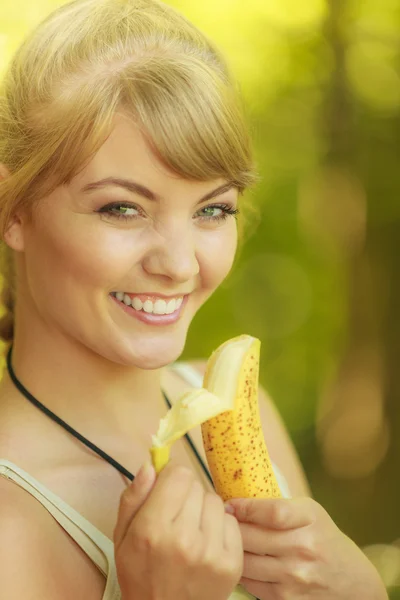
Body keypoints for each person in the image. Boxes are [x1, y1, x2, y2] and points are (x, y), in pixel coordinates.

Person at [0, 0, 388, 599]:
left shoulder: (246, 414)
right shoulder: (11, 526)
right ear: (13, 208)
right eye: (122, 208)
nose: (181, 265)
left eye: (213, 209)